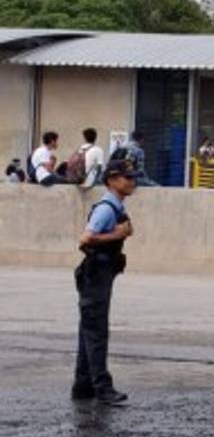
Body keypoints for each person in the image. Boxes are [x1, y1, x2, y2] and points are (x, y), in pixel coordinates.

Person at [72, 158, 139, 406]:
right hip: (95, 274)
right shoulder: (106, 209)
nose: (132, 182)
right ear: (111, 180)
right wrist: (118, 234)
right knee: (97, 332)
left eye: (133, 177)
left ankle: (83, 385)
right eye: (126, 177)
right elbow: (85, 240)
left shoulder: (116, 206)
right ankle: (103, 388)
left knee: (88, 331)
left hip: (101, 274)